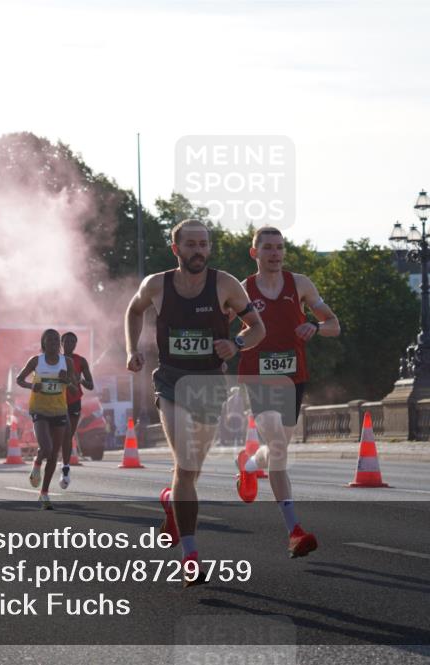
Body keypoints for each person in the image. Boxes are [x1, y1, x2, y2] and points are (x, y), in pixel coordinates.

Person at [124, 219, 265, 586]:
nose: (198, 251)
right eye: (190, 245)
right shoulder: (157, 284)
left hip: (209, 383)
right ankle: (190, 556)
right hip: (171, 379)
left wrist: (236, 344)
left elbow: (257, 328)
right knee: (186, 464)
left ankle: (171, 500)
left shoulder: (225, 284)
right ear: (176, 249)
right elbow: (134, 310)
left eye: (203, 244)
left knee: (192, 470)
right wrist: (132, 349)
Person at [235, 226, 341, 558]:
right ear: (255, 253)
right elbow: (216, 326)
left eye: (280, 247)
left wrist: (316, 326)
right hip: (257, 377)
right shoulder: (242, 290)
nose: (275, 253)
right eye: (267, 248)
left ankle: (250, 465)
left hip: (294, 377)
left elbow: (334, 325)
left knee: (276, 447)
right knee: (279, 448)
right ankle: (294, 530)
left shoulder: (301, 284)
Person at [16, 329, 77, 509]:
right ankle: (36, 464)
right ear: (43, 343)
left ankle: (44, 494)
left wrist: (66, 381)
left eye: (55, 340)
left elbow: (74, 390)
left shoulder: (67, 362)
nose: (52, 343)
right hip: (40, 409)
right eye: (49, 340)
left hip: (59, 410)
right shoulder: (36, 361)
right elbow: (20, 379)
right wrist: (32, 386)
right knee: (47, 448)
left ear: (59, 344)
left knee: (53, 454)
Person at [62, 331, 95, 471]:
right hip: (58, 400)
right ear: (61, 343)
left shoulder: (81, 361)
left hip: (74, 401)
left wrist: (79, 379)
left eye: (72, 342)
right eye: (67, 342)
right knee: (58, 433)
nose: (70, 344)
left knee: (68, 435)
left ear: (76, 344)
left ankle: (65, 465)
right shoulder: (56, 359)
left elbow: (91, 385)